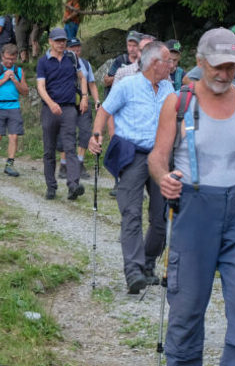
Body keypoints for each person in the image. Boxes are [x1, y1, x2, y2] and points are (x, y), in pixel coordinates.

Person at [149, 27, 235, 366]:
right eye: (218, 66)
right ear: (200, 62)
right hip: (194, 211)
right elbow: (157, 157)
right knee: (187, 307)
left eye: (231, 67)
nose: (225, 74)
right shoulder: (179, 103)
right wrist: (165, 178)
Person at [89, 40, 175, 293]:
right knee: (131, 213)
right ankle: (133, 270)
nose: (172, 64)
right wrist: (96, 135)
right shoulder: (127, 85)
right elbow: (104, 111)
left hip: (160, 156)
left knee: (161, 218)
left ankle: (148, 264)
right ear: (153, 64)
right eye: (167, 60)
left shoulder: (170, 87)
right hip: (133, 156)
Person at [37, 27, 88, 200]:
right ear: (50, 41)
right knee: (49, 150)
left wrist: (85, 97)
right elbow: (40, 87)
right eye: (57, 41)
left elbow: (82, 77)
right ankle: (51, 187)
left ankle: (73, 185)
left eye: (63, 41)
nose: (61, 44)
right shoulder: (43, 62)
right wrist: (51, 104)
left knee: (70, 147)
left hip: (68, 108)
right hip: (49, 109)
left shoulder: (72, 58)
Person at [0, 43, 27, 177]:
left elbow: (25, 91)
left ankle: (9, 164)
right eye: (7, 58)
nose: (9, 61)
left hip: (14, 106)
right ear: (2, 56)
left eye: (12, 59)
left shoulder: (19, 71)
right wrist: (4, 78)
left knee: (13, 135)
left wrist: (14, 80)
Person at [61, 38, 99, 178]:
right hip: (67, 102)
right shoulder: (61, 63)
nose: (76, 51)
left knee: (85, 132)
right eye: (73, 49)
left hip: (83, 102)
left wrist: (97, 101)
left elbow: (92, 84)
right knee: (67, 133)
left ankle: (80, 164)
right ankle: (64, 165)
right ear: (67, 50)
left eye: (78, 48)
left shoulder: (85, 64)